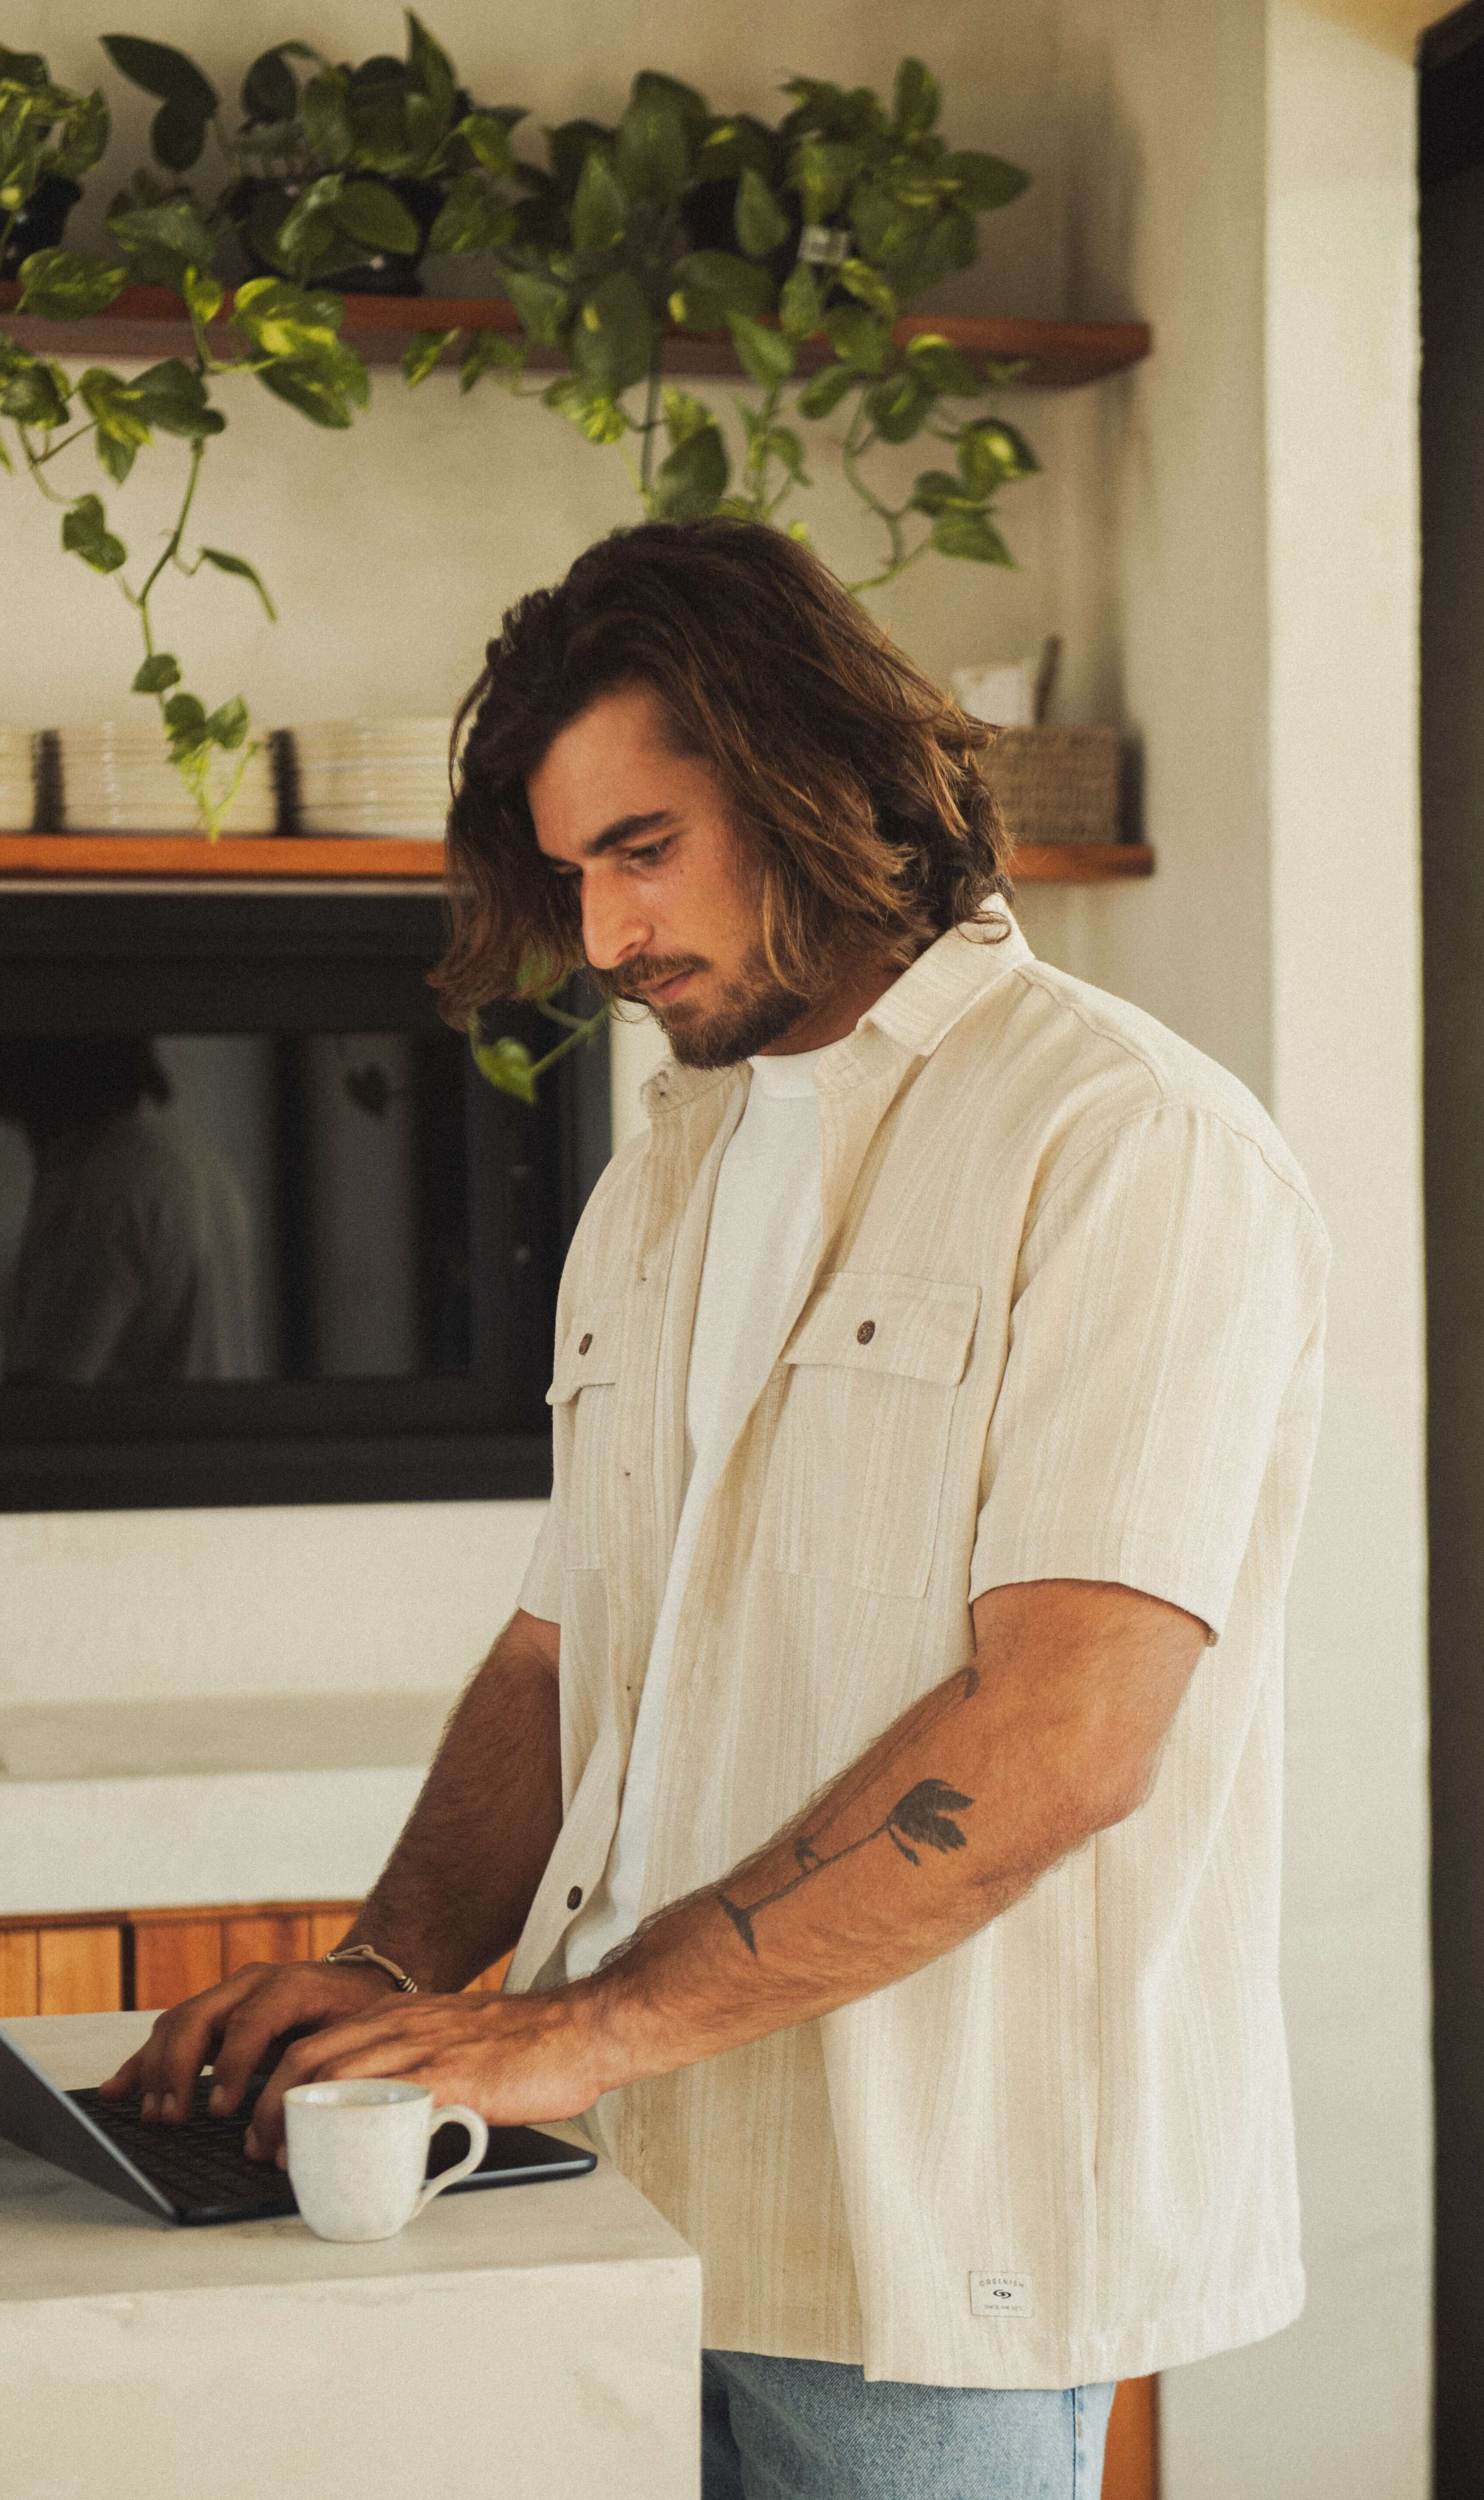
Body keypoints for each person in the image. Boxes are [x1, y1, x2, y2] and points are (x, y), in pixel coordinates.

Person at [103, 522, 1329, 2499]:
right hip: (610, 2201)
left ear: (810, 775)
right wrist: (395, 1970)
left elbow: (1066, 1728)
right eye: (571, 873)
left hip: (925, 2252)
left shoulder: (1127, 1143)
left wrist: (580, 2026)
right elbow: (561, 1646)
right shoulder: (656, 1175)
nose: (602, 936)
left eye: (643, 848)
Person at [0, 1036, 254, 1385]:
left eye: (5, 1108)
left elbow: (39, 1400)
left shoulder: (102, 1188)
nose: (6, 1125)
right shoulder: (198, 1160)